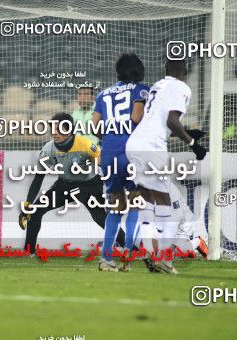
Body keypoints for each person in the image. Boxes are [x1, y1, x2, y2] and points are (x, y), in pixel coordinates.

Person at [125, 59, 207, 274]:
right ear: (185, 71)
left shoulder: (158, 85)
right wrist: (192, 144)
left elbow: (160, 122)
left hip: (134, 144)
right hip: (152, 147)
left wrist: (188, 132)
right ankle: (163, 259)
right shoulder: (182, 87)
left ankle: (149, 253)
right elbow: (171, 120)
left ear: (164, 70)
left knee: (147, 202)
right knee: (165, 203)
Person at [19, 112, 127, 254]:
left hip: (89, 185)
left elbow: (105, 163)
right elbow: (38, 177)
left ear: (69, 130)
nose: (54, 133)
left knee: (100, 218)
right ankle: (28, 252)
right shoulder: (48, 149)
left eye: (59, 129)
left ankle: (132, 248)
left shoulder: (85, 144)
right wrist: (28, 203)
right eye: (53, 128)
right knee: (35, 211)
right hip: (64, 185)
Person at [91, 52, 150, 272]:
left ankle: (106, 258)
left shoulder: (103, 94)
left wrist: (109, 137)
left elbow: (94, 126)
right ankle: (127, 252)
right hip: (131, 153)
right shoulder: (140, 89)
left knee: (115, 209)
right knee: (136, 203)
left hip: (108, 155)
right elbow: (136, 117)